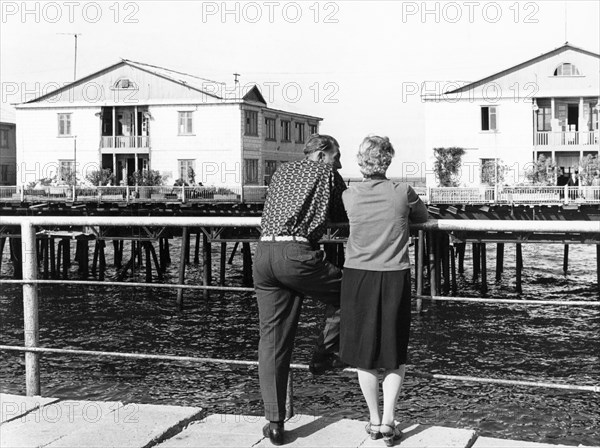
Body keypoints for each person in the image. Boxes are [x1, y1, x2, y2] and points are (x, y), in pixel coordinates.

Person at [253, 134, 347, 445]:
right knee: (352, 291)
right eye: (336, 157)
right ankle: (325, 353)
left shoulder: (281, 172)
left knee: (272, 340)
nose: (340, 163)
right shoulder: (326, 173)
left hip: (264, 253)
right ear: (322, 154)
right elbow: (345, 214)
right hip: (296, 254)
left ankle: (275, 422)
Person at [339, 136, 428, 447]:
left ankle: (374, 420)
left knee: (364, 353)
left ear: (361, 161)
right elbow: (423, 217)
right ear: (388, 160)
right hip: (393, 276)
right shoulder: (402, 192)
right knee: (393, 352)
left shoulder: (349, 195)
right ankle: (390, 422)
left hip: (357, 276)